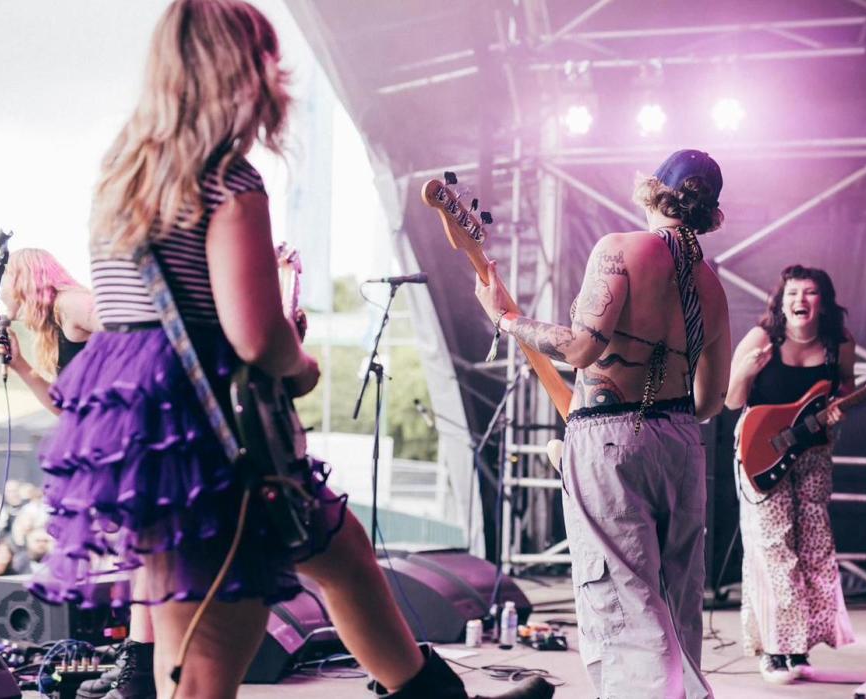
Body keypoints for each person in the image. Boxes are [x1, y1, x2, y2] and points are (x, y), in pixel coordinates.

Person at [31, 3, 551, 698]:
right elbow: (255, 338)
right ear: (245, 70)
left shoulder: (123, 178)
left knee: (344, 559)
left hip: (146, 438)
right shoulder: (226, 179)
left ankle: (436, 695)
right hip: (220, 443)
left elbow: (146, 315)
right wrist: (299, 361)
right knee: (206, 665)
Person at [475, 149, 733, 698]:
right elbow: (711, 400)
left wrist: (506, 319)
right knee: (676, 596)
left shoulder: (618, 250)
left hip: (613, 436)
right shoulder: (713, 288)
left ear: (653, 193)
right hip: (682, 442)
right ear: (709, 213)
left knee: (621, 594)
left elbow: (581, 349)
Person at [724, 264, 857, 684]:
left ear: (824, 301)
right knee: (772, 548)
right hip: (761, 451)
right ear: (781, 302)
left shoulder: (839, 344)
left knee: (814, 545)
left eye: (811, 292)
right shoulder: (762, 339)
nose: (801, 299)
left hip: (814, 453)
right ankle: (775, 648)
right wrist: (746, 371)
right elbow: (731, 401)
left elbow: (848, 387)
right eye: (793, 292)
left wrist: (841, 405)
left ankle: (799, 645)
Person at [0, 247, 100, 414]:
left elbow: (130, 332)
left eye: (3, 281)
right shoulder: (54, 328)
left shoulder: (69, 304)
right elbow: (64, 408)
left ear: (22, 281)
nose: (0, 294)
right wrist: (19, 364)